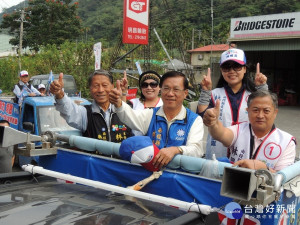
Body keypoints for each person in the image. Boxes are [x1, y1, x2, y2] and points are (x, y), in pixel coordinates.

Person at [109, 70, 204, 169]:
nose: (170, 94)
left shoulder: (194, 120)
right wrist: (118, 103)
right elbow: (130, 117)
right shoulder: (151, 114)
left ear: (185, 93)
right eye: (166, 88)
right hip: (151, 175)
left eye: (176, 89)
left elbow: (196, 150)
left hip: (180, 178)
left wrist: (176, 150)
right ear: (161, 90)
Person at [197, 48, 268, 160]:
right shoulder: (215, 94)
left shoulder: (254, 95)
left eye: (237, 66)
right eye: (226, 67)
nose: (231, 71)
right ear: (221, 70)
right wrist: (206, 91)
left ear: (245, 69)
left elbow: (266, 112)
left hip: (246, 151)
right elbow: (202, 115)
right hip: (218, 152)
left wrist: (261, 88)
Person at [203, 90, 296, 172]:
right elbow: (221, 134)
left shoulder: (286, 142)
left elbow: (283, 177)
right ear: (248, 111)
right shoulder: (239, 129)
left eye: (266, 111)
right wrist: (213, 123)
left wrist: (263, 169)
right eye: (255, 110)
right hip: (233, 185)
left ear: (275, 113)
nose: (260, 115)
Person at [49, 70, 134, 143]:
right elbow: (68, 109)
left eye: (104, 85)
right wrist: (59, 93)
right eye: (96, 86)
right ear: (90, 88)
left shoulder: (124, 111)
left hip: (122, 162)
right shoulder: (85, 113)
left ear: (112, 86)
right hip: (95, 162)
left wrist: (123, 93)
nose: (100, 90)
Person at [123, 70, 163, 136]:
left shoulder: (165, 104)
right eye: (145, 85)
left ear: (160, 87)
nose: (149, 88)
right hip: (136, 144)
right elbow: (123, 115)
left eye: (153, 84)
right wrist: (123, 91)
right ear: (141, 88)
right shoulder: (133, 103)